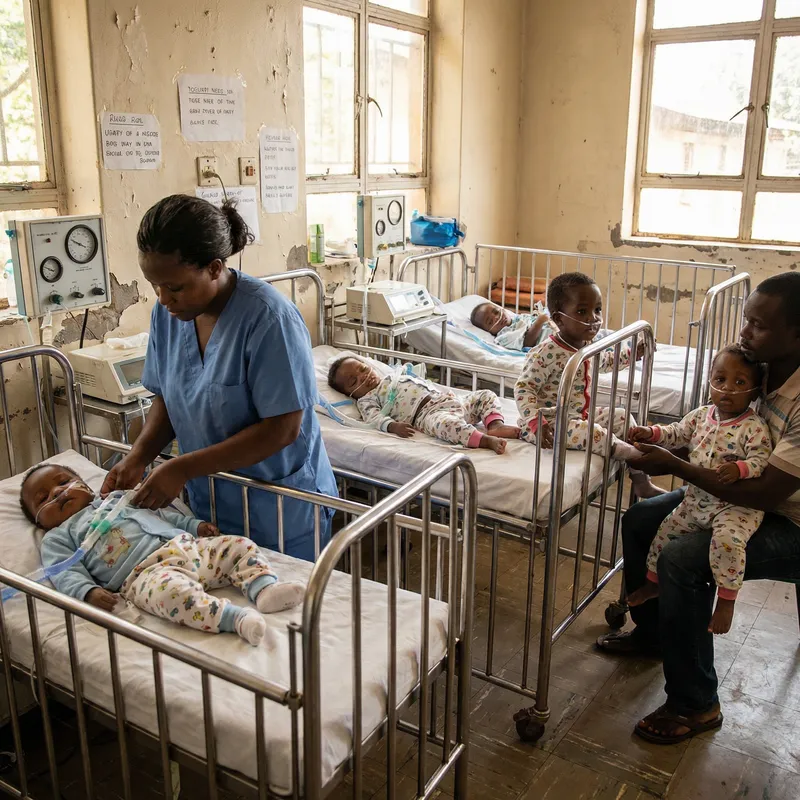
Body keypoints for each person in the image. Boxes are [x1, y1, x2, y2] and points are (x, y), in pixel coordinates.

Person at [594, 271, 800, 746]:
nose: (744, 332)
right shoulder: (762, 369)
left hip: (787, 517)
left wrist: (673, 466)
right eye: (747, 320)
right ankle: (653, 636)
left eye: (758, 325)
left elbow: (765, 494)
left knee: (683, 559)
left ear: (797, 335)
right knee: (642, 518)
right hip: (738, 495)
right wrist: (661, 444)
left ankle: (695, 702)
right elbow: (716, 438)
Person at [102, 195, 337, 561]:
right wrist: (139, 456)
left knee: (285, 594)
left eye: (175, 287)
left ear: (214, 268)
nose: (163, 298)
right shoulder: (168, 316)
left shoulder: (269, 319)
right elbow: (169, 398)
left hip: (279, 510)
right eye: (154, 285)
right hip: (210, 503)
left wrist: (183, 467)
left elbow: (283, 428)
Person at [22, 464, 305, 646]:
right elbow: (65, 571)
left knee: (239, 546)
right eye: (43, 498)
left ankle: (263, 588)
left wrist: (194, 526)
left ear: (85, 485)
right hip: (145, 575)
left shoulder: (117, 499)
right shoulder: (57, 537)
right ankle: (234, 619)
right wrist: (87, 591)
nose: (57, 493)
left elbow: (162, 515)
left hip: (187, 547)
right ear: (39, 521)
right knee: (175, 597)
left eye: (63, 482)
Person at [625, 345, 772, 634]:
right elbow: (676, 433)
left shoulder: (754, 427)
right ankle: (653, 584)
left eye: (739, 382)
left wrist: (741, 469)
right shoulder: (701, 415)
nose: (727, 388)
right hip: (698, 500)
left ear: (755, 392)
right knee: (664, 533)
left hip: (735, 507)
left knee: (728, 542)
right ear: (710, 381)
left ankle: (726, 601)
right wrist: (652, 433)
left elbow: (761, 460)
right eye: (720, 380)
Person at [514, 272, 660, 498]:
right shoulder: (546, 353)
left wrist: (634, 354)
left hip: (579, 416)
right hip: (549, 426)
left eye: (597, 310)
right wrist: (535, 422)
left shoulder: (587, 347)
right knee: (593, 433)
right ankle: (634, 455)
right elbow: (524, 388)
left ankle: (641, 480)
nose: (593, 318)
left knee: (622, 417)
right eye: (582, 312)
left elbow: (607, 361)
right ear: (559, 319)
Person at [327, 355, 521, 454]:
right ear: (350, 393)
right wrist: (393, 426)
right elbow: (374, 419)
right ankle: (486, 440)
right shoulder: (367, 400)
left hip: (448, 400)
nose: (363, 377)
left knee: (485, 395)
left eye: (363, 369)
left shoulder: (391, 376)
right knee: (448, 426)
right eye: (354, 381)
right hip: (427, 415)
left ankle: (495, 425)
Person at [470, 301, 553, 351]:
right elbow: (527, 344)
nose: (497, 318)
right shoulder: (504, 337)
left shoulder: (519, 318)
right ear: (488, 331)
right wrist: (539, 322)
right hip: (553, 339)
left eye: (496, 312)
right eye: (490, 322)